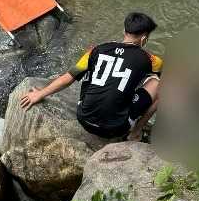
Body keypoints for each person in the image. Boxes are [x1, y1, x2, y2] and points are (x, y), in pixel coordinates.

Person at [19, 12, 162, 140]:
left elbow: (68, 78)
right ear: (144, 38)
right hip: (117, 128)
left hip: (84, 119)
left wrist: (40, 94)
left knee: (86, 69)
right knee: (160, 84)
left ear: (124, 31)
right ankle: (136, 132)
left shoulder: (97, 50)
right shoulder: (150, 60)